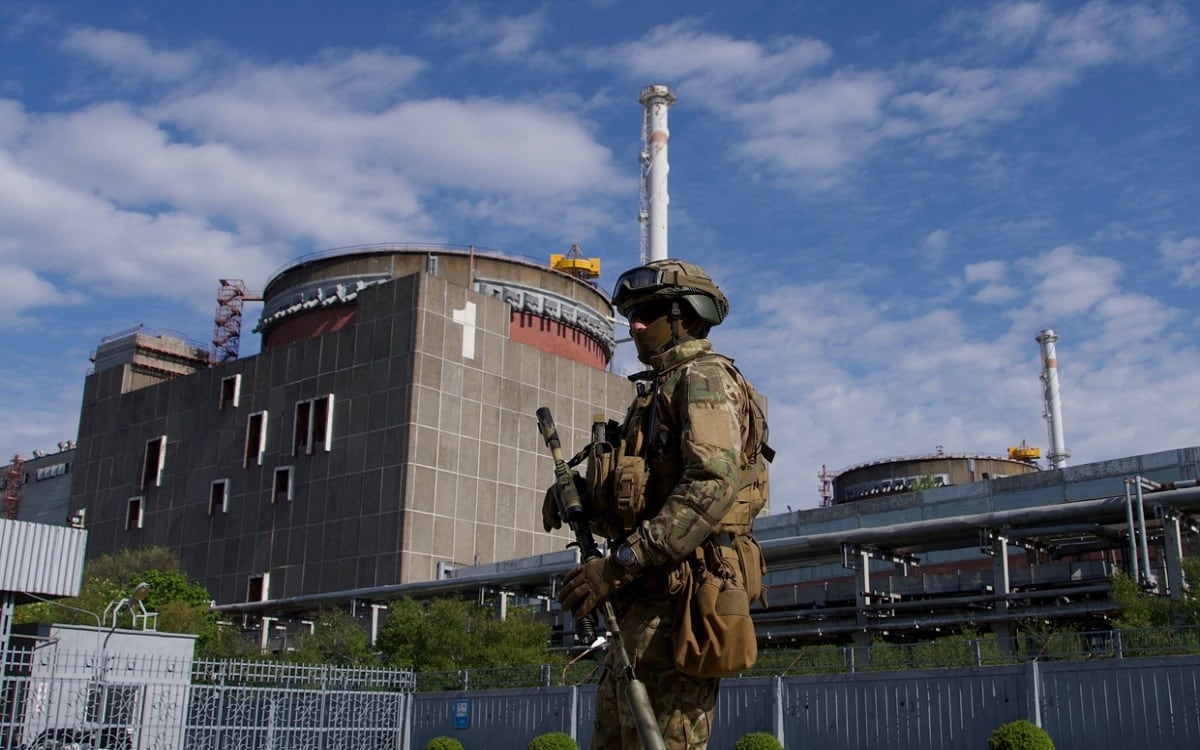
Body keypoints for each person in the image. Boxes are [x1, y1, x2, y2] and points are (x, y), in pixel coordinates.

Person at [544, 258, 770, 750]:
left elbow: (712, 482)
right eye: (631, 315)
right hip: (643, 604)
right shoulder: (657, 392)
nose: (635, 325)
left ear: (685, 317)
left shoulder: (703, 379)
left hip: (681, 603)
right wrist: (580, 497)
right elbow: (645, 499)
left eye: (647, 313)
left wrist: (621, 562)